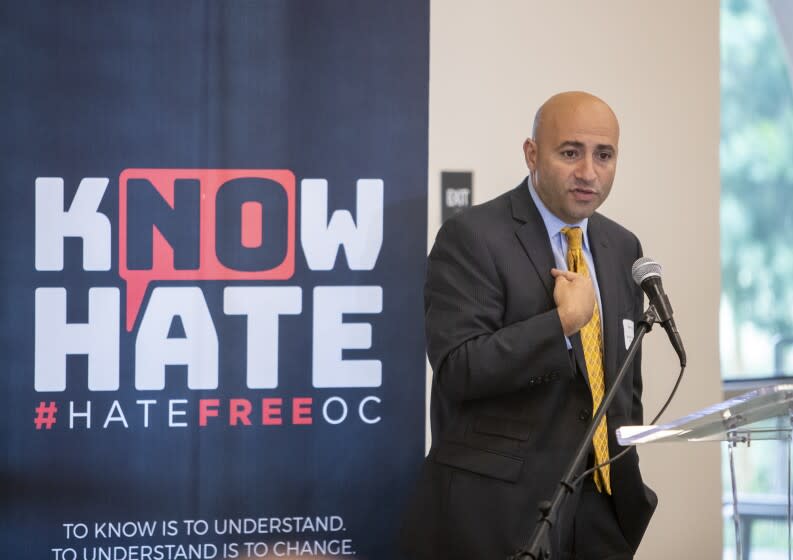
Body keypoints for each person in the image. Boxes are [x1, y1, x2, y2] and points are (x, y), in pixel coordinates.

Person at [400, 92, 657, 560]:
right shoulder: (473, 237)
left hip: (602, 507)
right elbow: (459, 368)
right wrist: (561, 323)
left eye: (604, 155)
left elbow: (624, 382)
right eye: (570, 152)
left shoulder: (623, 246)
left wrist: (624, 472)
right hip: (502, 514)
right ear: (532, 154)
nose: (588, 172)